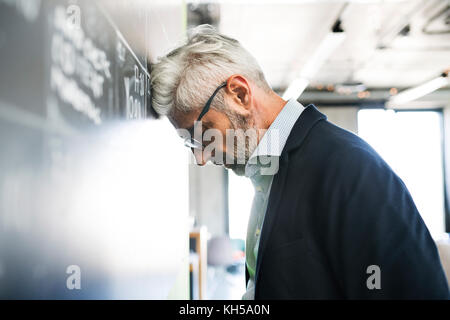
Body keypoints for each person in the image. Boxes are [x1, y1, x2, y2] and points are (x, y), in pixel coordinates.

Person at [150, 24, 449, 299]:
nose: (201, 157)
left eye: (203, 133)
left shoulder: (350, 169)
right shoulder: (268, 175)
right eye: (191, 143)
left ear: (239, 94)